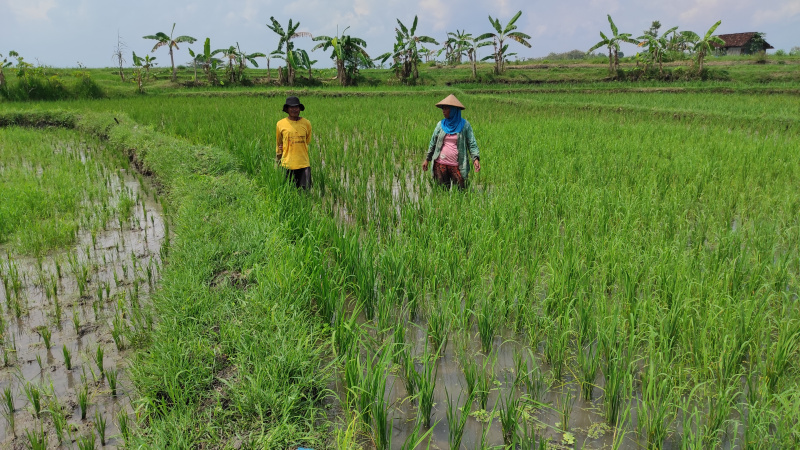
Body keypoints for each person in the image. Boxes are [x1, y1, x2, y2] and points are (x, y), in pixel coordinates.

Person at [422, 94, 480, 190]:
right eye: (443, 109)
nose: (443, 111)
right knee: (441, 193)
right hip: (440, 164)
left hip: (458, 165)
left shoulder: (465, 125)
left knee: (461, 192)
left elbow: (472, 143)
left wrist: (475, 158)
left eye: (446, 109)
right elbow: (433, 143)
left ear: (453, 110)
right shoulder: (440, 125)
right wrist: (427, 159)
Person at [276, 96, 313, 189]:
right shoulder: (280, 124)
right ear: (287, 109)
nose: (294, 109)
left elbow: (307, 141)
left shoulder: (306, 123)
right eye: (291, 107)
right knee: (289, 191)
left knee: (305, 192)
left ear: (300, 109)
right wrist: (277, 161)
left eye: (296, 107)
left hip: (303, 164)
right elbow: (279, 143)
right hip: (287, 164)